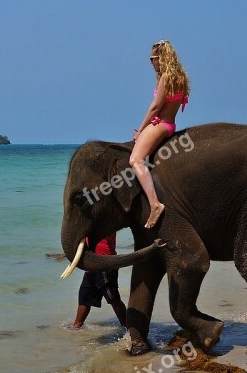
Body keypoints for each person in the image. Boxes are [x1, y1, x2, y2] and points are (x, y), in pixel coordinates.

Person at [130, 40, 191, 228]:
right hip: (170, 124)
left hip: (160, 124)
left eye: (153, 59)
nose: (152, 63)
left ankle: (154, 204)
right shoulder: (180, 77)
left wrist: (140, 130)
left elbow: (156, 107)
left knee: (135, 160)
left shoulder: (165, 77)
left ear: (161, 58)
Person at [69, 233, 127, 330]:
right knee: (85, 296)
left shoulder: (107, 220)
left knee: (113, 297)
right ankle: (77, 325)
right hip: (91, 263)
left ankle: (127, 325)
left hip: (104, 262)